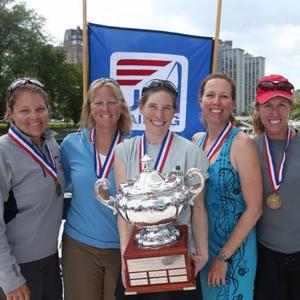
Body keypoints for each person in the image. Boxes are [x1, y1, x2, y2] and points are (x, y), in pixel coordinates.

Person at [114, 79, 209, 300]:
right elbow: (123, 215)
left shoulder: (191, 152)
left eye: (167, 108)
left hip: (178, 257)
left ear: (175, 111)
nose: (160, 115)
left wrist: (202, 252)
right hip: (139, 257)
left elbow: (199, 208)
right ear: (141, 108)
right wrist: (124, 259)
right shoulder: (124, 151)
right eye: (153, 107)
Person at [60, 78, 132, 300]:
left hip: (122, 248)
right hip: (80, 245)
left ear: (121, 107)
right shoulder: (71, 145)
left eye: (112, 102)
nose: (105, 108)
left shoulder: (134, 146)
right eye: (98, 103)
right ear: (89, 108)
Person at [192, 73, 262, 300]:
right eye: (210, 95)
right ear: (201, 100)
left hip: (233, 252)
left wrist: (223, 258)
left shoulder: (242, 143)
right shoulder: (197, 141)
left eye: (224, 96)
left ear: (232, 103)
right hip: (204, 248)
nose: (217, 102)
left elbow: (255, 209)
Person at [0, 78, 64, 300]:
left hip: (50, 260)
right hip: (19, 267)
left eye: (40, 109)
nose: (34, 117)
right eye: (24, 110)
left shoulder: (50, 144)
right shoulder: (3, 153)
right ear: (10, 112)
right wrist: (10, 279)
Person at [252, 74, 300, 300]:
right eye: (268, 105)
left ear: (291, 107)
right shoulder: (248, 149)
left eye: (282, 105)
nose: (274, 113)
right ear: (258, 108)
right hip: (265, 256)